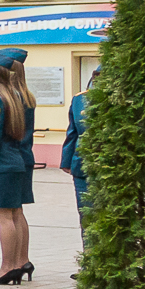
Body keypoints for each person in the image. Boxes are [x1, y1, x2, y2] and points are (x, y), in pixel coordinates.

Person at [0, 48, 36, 285]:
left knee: (4, 218)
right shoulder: (12, 97)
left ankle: (7, 267)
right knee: (15, 213)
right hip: (17, 162)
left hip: (2, 165)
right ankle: (18, 263)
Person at [60, 68, 93, 231]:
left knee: (87, 214)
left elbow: (72, 133)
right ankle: (88, 253)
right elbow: (72, 132)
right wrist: (66, 162)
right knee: (86, 213)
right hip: (81, 165)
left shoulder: (80, 99)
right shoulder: (79, 99)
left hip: (82, 162)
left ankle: (89, 253)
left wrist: (66, 162)